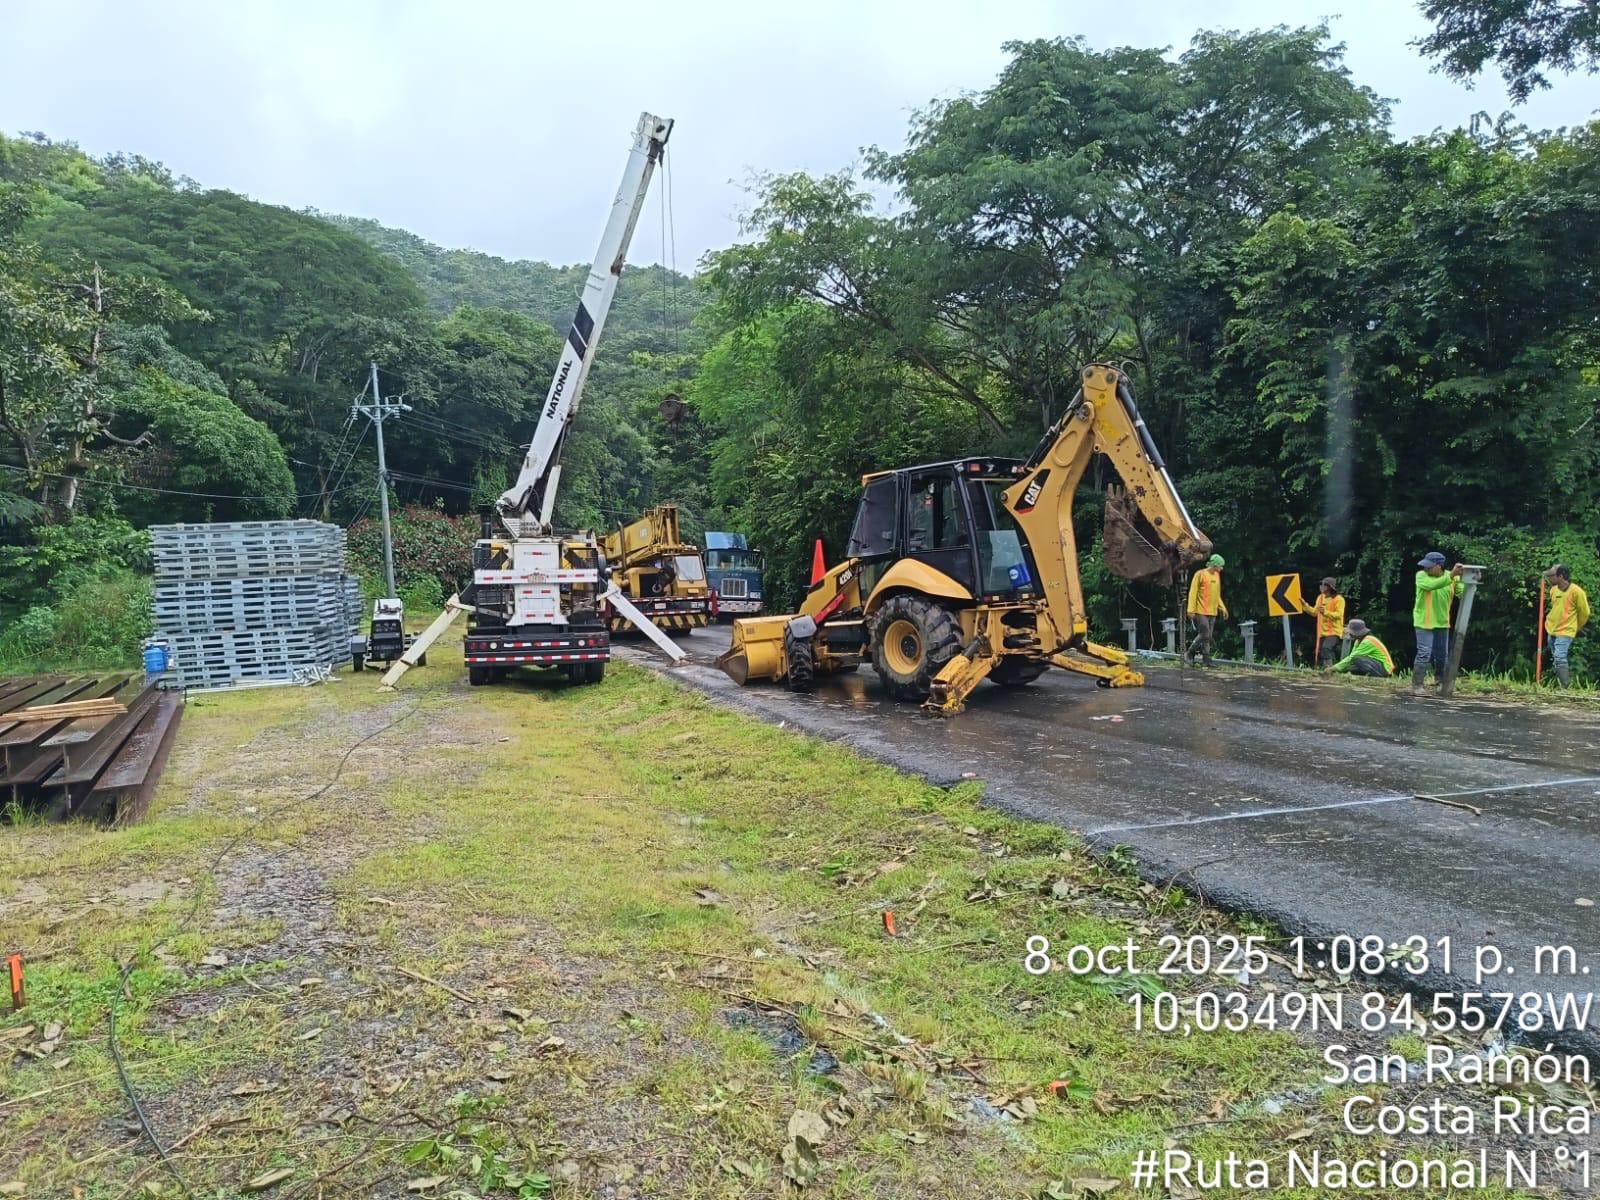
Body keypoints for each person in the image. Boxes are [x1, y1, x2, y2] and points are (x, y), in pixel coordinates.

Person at [1412, 551, 1463, 693]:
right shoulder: (1421, 576)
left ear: (1439, 566)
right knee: (1424, 653)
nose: (1426, 568)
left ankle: (1440, 681)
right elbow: (1431, 586)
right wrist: (1451, 575)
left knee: (1441, 656)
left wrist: (1471, 581)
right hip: (1423, 621)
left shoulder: (1453, 578)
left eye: (1429, 566)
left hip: (1442, 622)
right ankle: (1417, 685)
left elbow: (1462, 593)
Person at [1544, 564, 1590, 688]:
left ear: (1561, 576)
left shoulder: (1576, 592)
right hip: (1552, 629)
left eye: (1552, 575)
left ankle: (1565, 688)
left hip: (1566, 630)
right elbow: (1556, 607)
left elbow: (1584, 612)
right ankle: (1560, 685)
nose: (1549, 578)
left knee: (1559, 657)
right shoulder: (1553, 590)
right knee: (1556, 659)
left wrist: (1577, 626)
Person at [1186, 553, 1228, 667]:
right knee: (1204, 634)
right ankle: (1189, 653)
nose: (1221, 568)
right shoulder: (1200, 574)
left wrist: (1223, 608)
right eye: (1220, 566)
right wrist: (1191, 610)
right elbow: (1193, 592)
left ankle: (1206, 659)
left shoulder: (1217, 576)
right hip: (1201, 610)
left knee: (1208, 636)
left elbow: (1217, 595)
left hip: (1212, 611)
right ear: (1215, 565)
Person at [1303, 577, 1346, 667]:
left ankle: (1329, 670)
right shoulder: (1320, 598)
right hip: (1322, 633)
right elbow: (1314, 613)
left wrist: (1325, 612)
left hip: (1334, 632)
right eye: (1321, 584)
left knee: (1326, 648)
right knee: (1324, 653)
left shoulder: (1339, 599)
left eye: (1323, 584)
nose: (1320, 586)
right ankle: (1333, 671)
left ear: (1329, 587)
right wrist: (1305, 605)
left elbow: (1339, 614)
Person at [1328, 618, 1393, 677]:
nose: (1350, 634)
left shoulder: (1368, 641)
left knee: (1356, 658)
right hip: (1375, 665)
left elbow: (1352, 657)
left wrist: (1333, 668)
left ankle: (1379, 676)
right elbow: (1351, 658)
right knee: (1348, 668)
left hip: (1385, 669)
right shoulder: (1358, 641)